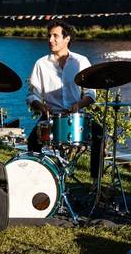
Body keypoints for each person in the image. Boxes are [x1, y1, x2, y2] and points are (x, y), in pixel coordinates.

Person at [25, 21, 104, 182]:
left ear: (67, 39)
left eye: (55, 36)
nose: (50, 40)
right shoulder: (41, 64)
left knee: (100, 134)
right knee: (33, 141)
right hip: (50, 117)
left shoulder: (80, 61)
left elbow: (91, 93)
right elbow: (32, 96)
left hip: (76, 116)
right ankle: (38, 182)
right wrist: (41, 107)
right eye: (49, 36)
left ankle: (96, 183)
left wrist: (79, 105)